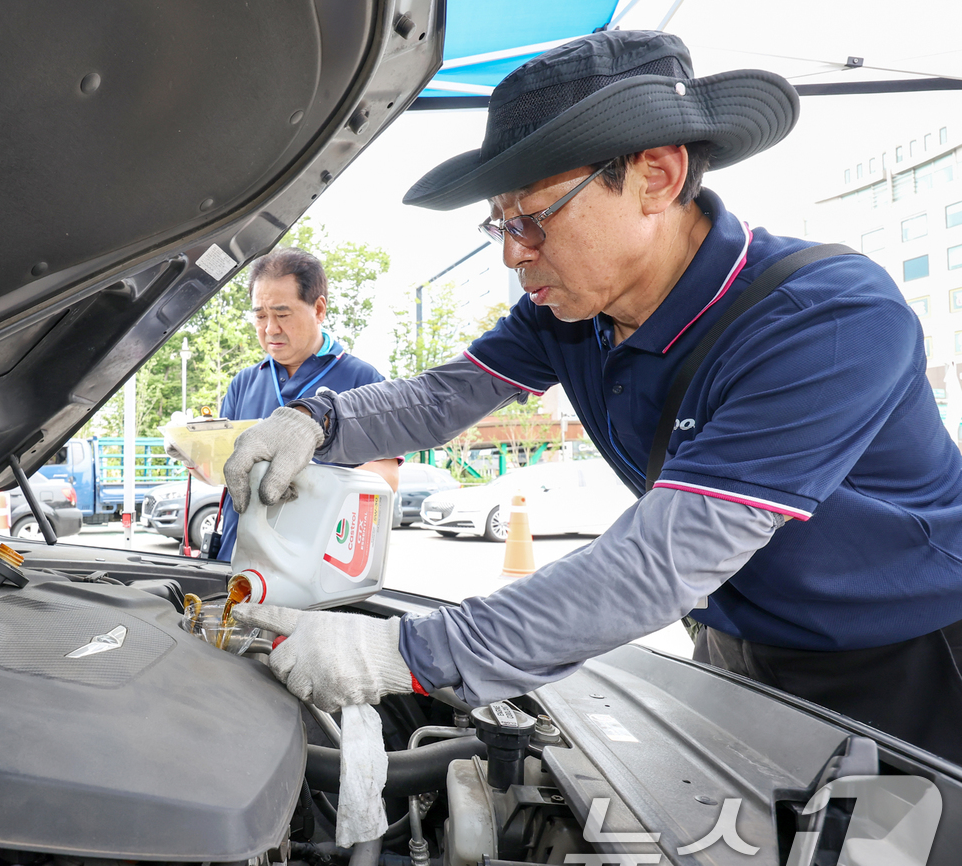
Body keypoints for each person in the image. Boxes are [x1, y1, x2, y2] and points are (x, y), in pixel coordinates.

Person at [224, 30, 962, 763]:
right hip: (733, 644)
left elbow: (663, 558)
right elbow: (443, 395)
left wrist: (404, 650)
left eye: (535, 216)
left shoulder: (825, 320)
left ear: (658, 177)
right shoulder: (571, 312)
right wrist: (315, 419)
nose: (514, 252)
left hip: (900, 662)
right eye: (501, 223)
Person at [200, 247, 398, 562]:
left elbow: (387, 477)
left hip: (314, 559)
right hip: (236, 556)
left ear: (319, 309)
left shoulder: (362, 377)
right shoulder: (244, 383)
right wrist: (196, 454)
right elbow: (223, 467)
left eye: (282, 314)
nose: (269, 329)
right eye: (260, 315)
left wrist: (308, 479)